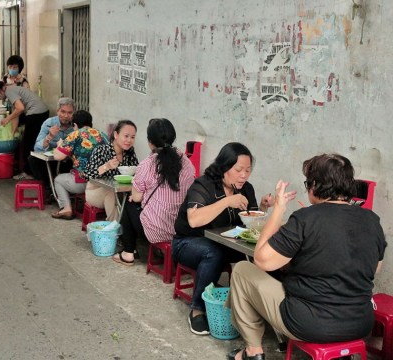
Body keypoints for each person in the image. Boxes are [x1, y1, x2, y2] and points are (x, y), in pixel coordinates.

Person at [227, 153, 387, 360]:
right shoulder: (372, 220)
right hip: (360, 324)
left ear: (314, 186)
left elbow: (262, 259)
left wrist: (278, 210)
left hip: (309, 323)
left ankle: (252, 352)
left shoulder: (305, 218)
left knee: (242, 269)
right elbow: (376, 268)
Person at [172, 142, 274, 336]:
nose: (244, 175)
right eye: (238, 170)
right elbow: (194, 220)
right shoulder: (203, 185)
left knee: (264, 251)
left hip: (225, 243)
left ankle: (256, 307)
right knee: (213, 252)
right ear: (224, 167)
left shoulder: (246, 188)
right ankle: (197, 309)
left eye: (248, 170)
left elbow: (250, 221)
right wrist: (227, 201)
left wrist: (263, 207)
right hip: (187, 243)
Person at [112, 118, 195, 265]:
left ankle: (128, 252)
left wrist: (137, 196)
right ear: (173, 138)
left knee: (129, 202)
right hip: (180, 229)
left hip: (156, 231)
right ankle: (159, 251)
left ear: (150, 141)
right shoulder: (187, 163)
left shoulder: (148, 164)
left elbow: (137, 197)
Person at [0, 79, 49, 179]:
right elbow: (16, 115)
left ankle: (29, 173)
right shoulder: (10, 91)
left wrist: (7, 119)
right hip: (40, 112)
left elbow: (20, 108)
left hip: (37, 114)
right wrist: (12, 132)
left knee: (29, 144)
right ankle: (32, 171)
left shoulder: (9, 91)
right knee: (30, 143)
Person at [51, 110, 109, 220]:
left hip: (83, 182)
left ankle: (66, 209)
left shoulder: (75, 135)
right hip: (104, 182)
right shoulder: (102, 135)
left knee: (58, 179)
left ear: (75, 125)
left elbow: (58, 157)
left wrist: (59, 145)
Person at [83, 120, 139, 221]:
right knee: (111, 193)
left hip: (121, 192)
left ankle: (132, 232)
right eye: (126, 136)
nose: (129, 140)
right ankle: (114, 229)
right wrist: (106, 166)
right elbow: (87, 175)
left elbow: (137, 171)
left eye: (132, 137)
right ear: (116, 135)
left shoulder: (129, 153)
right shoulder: (101, 150)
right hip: (95, 192)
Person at [28, 97, 76, 190]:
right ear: (57, 111)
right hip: (50, 161)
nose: (66, 116)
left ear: (73, 113)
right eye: (63, 112)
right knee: (32, 159)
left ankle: (65, 189)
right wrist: (49, 137)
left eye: (69, 113)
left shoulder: (76, 126)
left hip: (68, 161)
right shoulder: (49, 123)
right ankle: (48, 188)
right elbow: (37, 147)